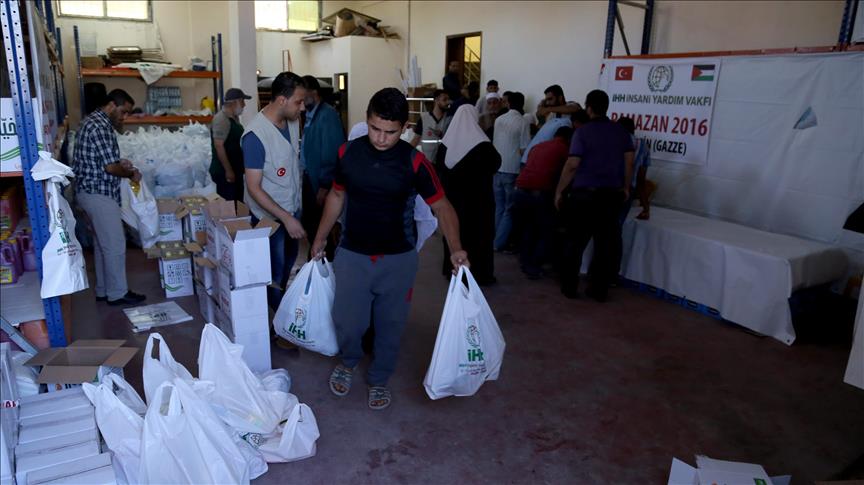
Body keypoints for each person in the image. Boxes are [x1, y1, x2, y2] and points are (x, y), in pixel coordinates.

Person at [311, 88, 469, 410]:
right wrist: (320, 237)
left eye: (391, 132)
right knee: (348, 321)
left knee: (390, 324)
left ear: (405, 127)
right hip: (352, 254)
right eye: (375, 129)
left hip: (398, 259)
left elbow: (442, 207)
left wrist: (455, 248)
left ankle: (379, 377)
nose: (381, 138)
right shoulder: (348, 153)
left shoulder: (415, 162)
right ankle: (349, 360)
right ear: (366, 120)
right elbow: (337, 196)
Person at [554, 90, 634, 302]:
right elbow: (629, 162)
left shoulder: (582, 132)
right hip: (610, 196)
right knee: (605, 246)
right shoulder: (621, 132)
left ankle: (569, 287)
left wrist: (559, 190)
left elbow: (572, 164)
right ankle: (598, 290)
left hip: (584, 196)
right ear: (606, 107)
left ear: (588, 108)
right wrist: (626, 187)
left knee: (575, 243)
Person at [72, 89, 146, 306]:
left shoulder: (92, 123)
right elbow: (110, 168)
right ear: (112, 105)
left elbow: (103, 160)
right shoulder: (101, 127)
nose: (124, 117)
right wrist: (131, 173)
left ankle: (104, 290)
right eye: (123, 112)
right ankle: (117, 293)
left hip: (89, 192)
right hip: (99, 194)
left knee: (103, 244)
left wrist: (119, 163)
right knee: (114, 244)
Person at [241, 72, 307, 311]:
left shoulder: (292, 122)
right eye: (298, 102)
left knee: (287, 265)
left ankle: (281, 311)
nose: (302, 107)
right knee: (274, 273)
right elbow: (254, 187)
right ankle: (278, 323)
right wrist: (286, 218)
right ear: (282, 100)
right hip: (270, 219)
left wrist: (293, 213)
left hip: (291, 209)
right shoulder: (255, 136)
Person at [436, 105, 501, 285]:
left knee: (453, 231)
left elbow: (439, 167)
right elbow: (496, 163)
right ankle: (480, 274)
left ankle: (451, 269)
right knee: (479, 236)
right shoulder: (483, 145)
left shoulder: (445, 145)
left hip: (452, 200)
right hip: (479, 202)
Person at [512, 126, 573, 279]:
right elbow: (568, 172)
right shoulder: (564, 149)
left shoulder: (538, 146)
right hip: (539, 193)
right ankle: (534, 265)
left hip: (520, 190)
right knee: (545, 231)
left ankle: (525, 261)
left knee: (528, 228)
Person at [300, 75, 345, 261]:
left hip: (321, 184)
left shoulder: (327, 116)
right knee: (311, 227)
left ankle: (326, 266)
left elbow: (332, 153)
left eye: (303, 95)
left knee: (321, 229)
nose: (300, 99)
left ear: (314, 93)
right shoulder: (309, 115)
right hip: (310, 179)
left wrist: (325, 185)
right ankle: (316, 265)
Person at [492, 91, 531, 251]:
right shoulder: (523, 122)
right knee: (509, 209)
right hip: (512, 170)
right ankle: (498, 243)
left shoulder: (499, 120)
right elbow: (524, 149)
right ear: (522, 104)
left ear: (508, 103)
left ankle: (496, 239)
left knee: (499, 207)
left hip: (496, 169)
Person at [210, 88, 252, 201]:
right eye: (242, 101)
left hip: (236, 170)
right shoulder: (221, 119)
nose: (244, 105)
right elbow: (219, 146)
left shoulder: (234, 118)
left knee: (238, 203)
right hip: (224, 173)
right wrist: (228, 171)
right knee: (229, 205)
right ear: (235, 102)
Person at [522, 109, 588, 165]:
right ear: (577, 122)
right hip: (533, 162)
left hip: (527, 159)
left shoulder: (556, 121)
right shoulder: (565, 126)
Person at [616, 117, 652, 222]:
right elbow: (640, 180)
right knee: (617, 225)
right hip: (628, 190)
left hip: (608, 187)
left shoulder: (611, 141)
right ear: (633, 129)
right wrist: (646, 208)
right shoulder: (643, 146)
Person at [410, 89, 451, 162]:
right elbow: (416, 139)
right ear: (436, 100)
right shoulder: (424, 118)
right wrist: (405, 153)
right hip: (428, 161)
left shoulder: (449, 119)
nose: (448, 102)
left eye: (448, 100)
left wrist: (442, 134)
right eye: (444, 100)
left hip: (444, 162)